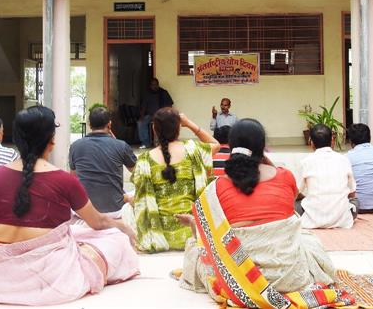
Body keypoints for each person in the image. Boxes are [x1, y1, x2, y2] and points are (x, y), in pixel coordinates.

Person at [0, 106, 139, 306]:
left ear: (14, 137)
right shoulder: (63, 179)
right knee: (114, 239)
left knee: (77, 232)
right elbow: (97, 222)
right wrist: (124, 228)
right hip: (53, 280)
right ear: (51, 140)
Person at [178, 119, 352, 308]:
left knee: (196, 247)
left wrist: (194, 225)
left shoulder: (216, 188)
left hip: (239, 285)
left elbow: (209, 239)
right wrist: (266, 160)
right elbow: (292, 199)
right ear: (263, 148)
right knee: (308, 239)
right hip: (291, 278)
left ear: (232, 147)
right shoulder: (285, 176)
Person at [122, 107, 220, 253]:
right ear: (179, 128)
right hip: (192, 232)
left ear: (154, 129)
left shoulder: (144, 161)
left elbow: (141, 201)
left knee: (127, 207)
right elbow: (216, 145)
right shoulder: (194, 150)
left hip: (160, 236)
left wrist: (130, 200)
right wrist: (190, 124)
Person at [69, 106, 137, 216]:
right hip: (115, 211)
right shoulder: (121, 146)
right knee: (136, 193)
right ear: (109, 124)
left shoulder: (75, 146)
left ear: (90, 125)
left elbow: (73, 178)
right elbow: (137, 172)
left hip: (84, 212)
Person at [297, 124, 357, 229]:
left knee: (294, 206)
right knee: (356, 203)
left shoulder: (305, 162)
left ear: (311, 142)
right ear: (332, 140)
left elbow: (296, 192)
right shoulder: (344, 160)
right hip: (342, 219)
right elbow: (352, 192)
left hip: (312, 218)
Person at [138, 78, 174, 149]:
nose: (154, 86)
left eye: (155, 84)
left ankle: (162, 143)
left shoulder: (163, 92)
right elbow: (143, 107)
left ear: (158, 84)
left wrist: (168, 115)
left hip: (162, 115)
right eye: (152, 85)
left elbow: (170, 105)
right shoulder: (147, 94)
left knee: (162, 123)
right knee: (140, 123)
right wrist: (141, 117)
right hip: (150, 115)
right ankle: (145, 143)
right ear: (150, 86)